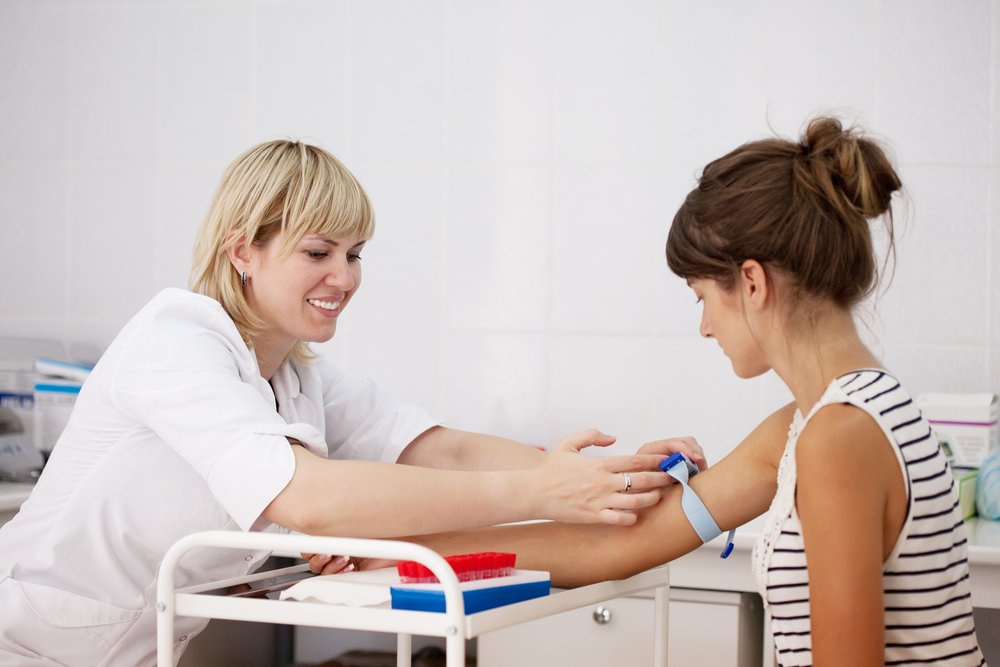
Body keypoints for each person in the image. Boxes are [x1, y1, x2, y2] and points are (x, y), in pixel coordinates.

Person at [0, 140, 696, 666]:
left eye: (355, 253)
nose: (344, 276)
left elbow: (438, 446)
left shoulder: (298, 372)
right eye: (318, 251)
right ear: (243, 250)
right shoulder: (176, 339)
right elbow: (307, 496)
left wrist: (614, 475)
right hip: (26, 639)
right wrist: (541, 489)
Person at [407, 118, 986, 666]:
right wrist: (418, 555)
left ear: (752, 283)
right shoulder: (813, 422)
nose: (705, 327)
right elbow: (614, 550)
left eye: (701, 296)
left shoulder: (839, 437)